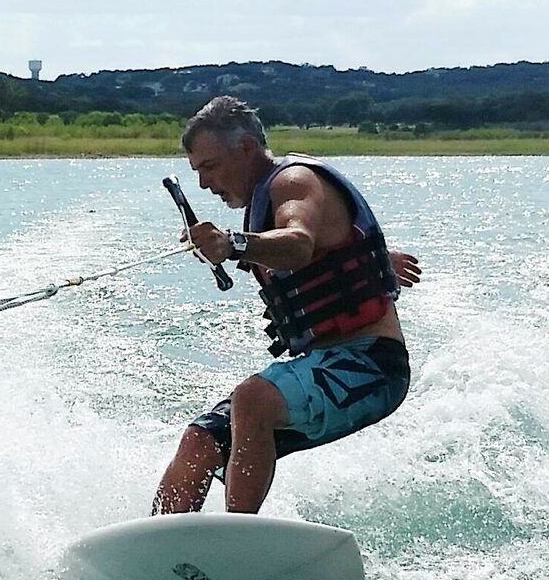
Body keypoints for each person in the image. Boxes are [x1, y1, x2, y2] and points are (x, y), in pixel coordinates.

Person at [152, 95, 420, 516]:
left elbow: (298, 244)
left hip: (371, 366)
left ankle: (237, 544)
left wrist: (233, 244)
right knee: (201, 440)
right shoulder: (260, 209)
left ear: (245, 148)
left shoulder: (292, 182)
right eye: (197, 173)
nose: (205, 184)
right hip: (323, 366)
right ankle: (162, 550)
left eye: (210, 167)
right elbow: (313, 263)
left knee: (252, 399)